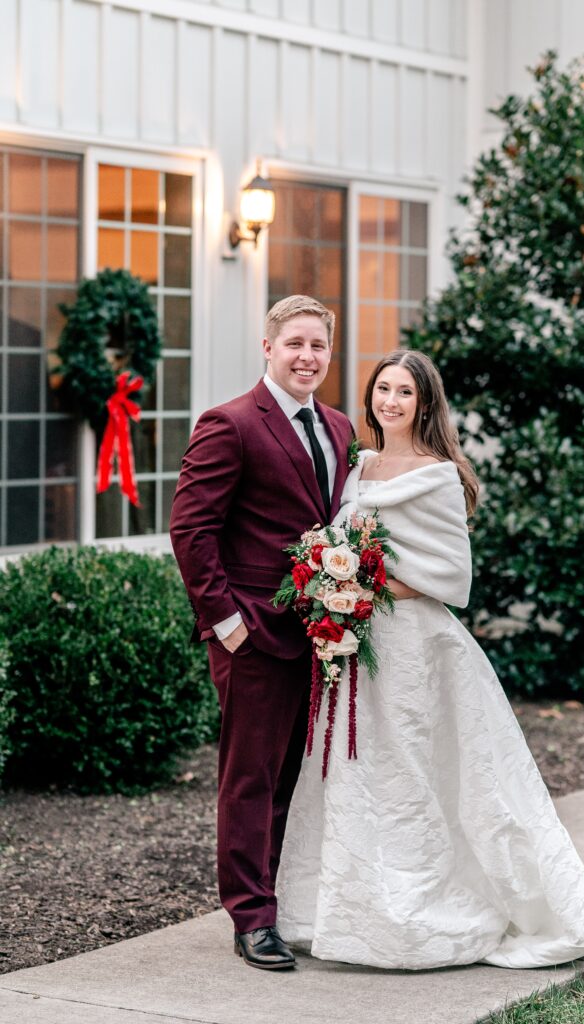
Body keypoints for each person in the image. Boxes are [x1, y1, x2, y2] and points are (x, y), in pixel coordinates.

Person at [276, 349, 584, 970]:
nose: (390, 402)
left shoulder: (438, 474)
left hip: (413, 647)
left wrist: (358, 587)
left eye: (404, 392)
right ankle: (342, 911)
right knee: (353, 770)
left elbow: (446, 573)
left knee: (419, 772)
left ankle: (428, 909)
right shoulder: (360, 465)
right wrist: (333, 587)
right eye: (383, 389)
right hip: (356, 645)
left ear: (425, 402)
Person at [170, 295, 354, 971]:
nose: (307, 357)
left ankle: (285, 901)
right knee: (249, 779)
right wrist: (226, 624)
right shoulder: (231, 423)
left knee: (295, 779)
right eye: (296, 343)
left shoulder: (338, 428)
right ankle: (251, 918)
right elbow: (191, 530)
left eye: (319, 347)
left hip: (320, 636)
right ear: (268, 347)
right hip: (252, 634)